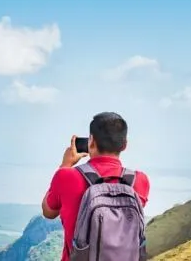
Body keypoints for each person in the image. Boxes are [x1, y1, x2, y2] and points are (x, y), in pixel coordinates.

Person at [41, 112, 150, 261]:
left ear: (91, 141)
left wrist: (65, 164)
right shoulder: (139, 180)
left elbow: (48, 211)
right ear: (124, 145)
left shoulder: (66, 176)